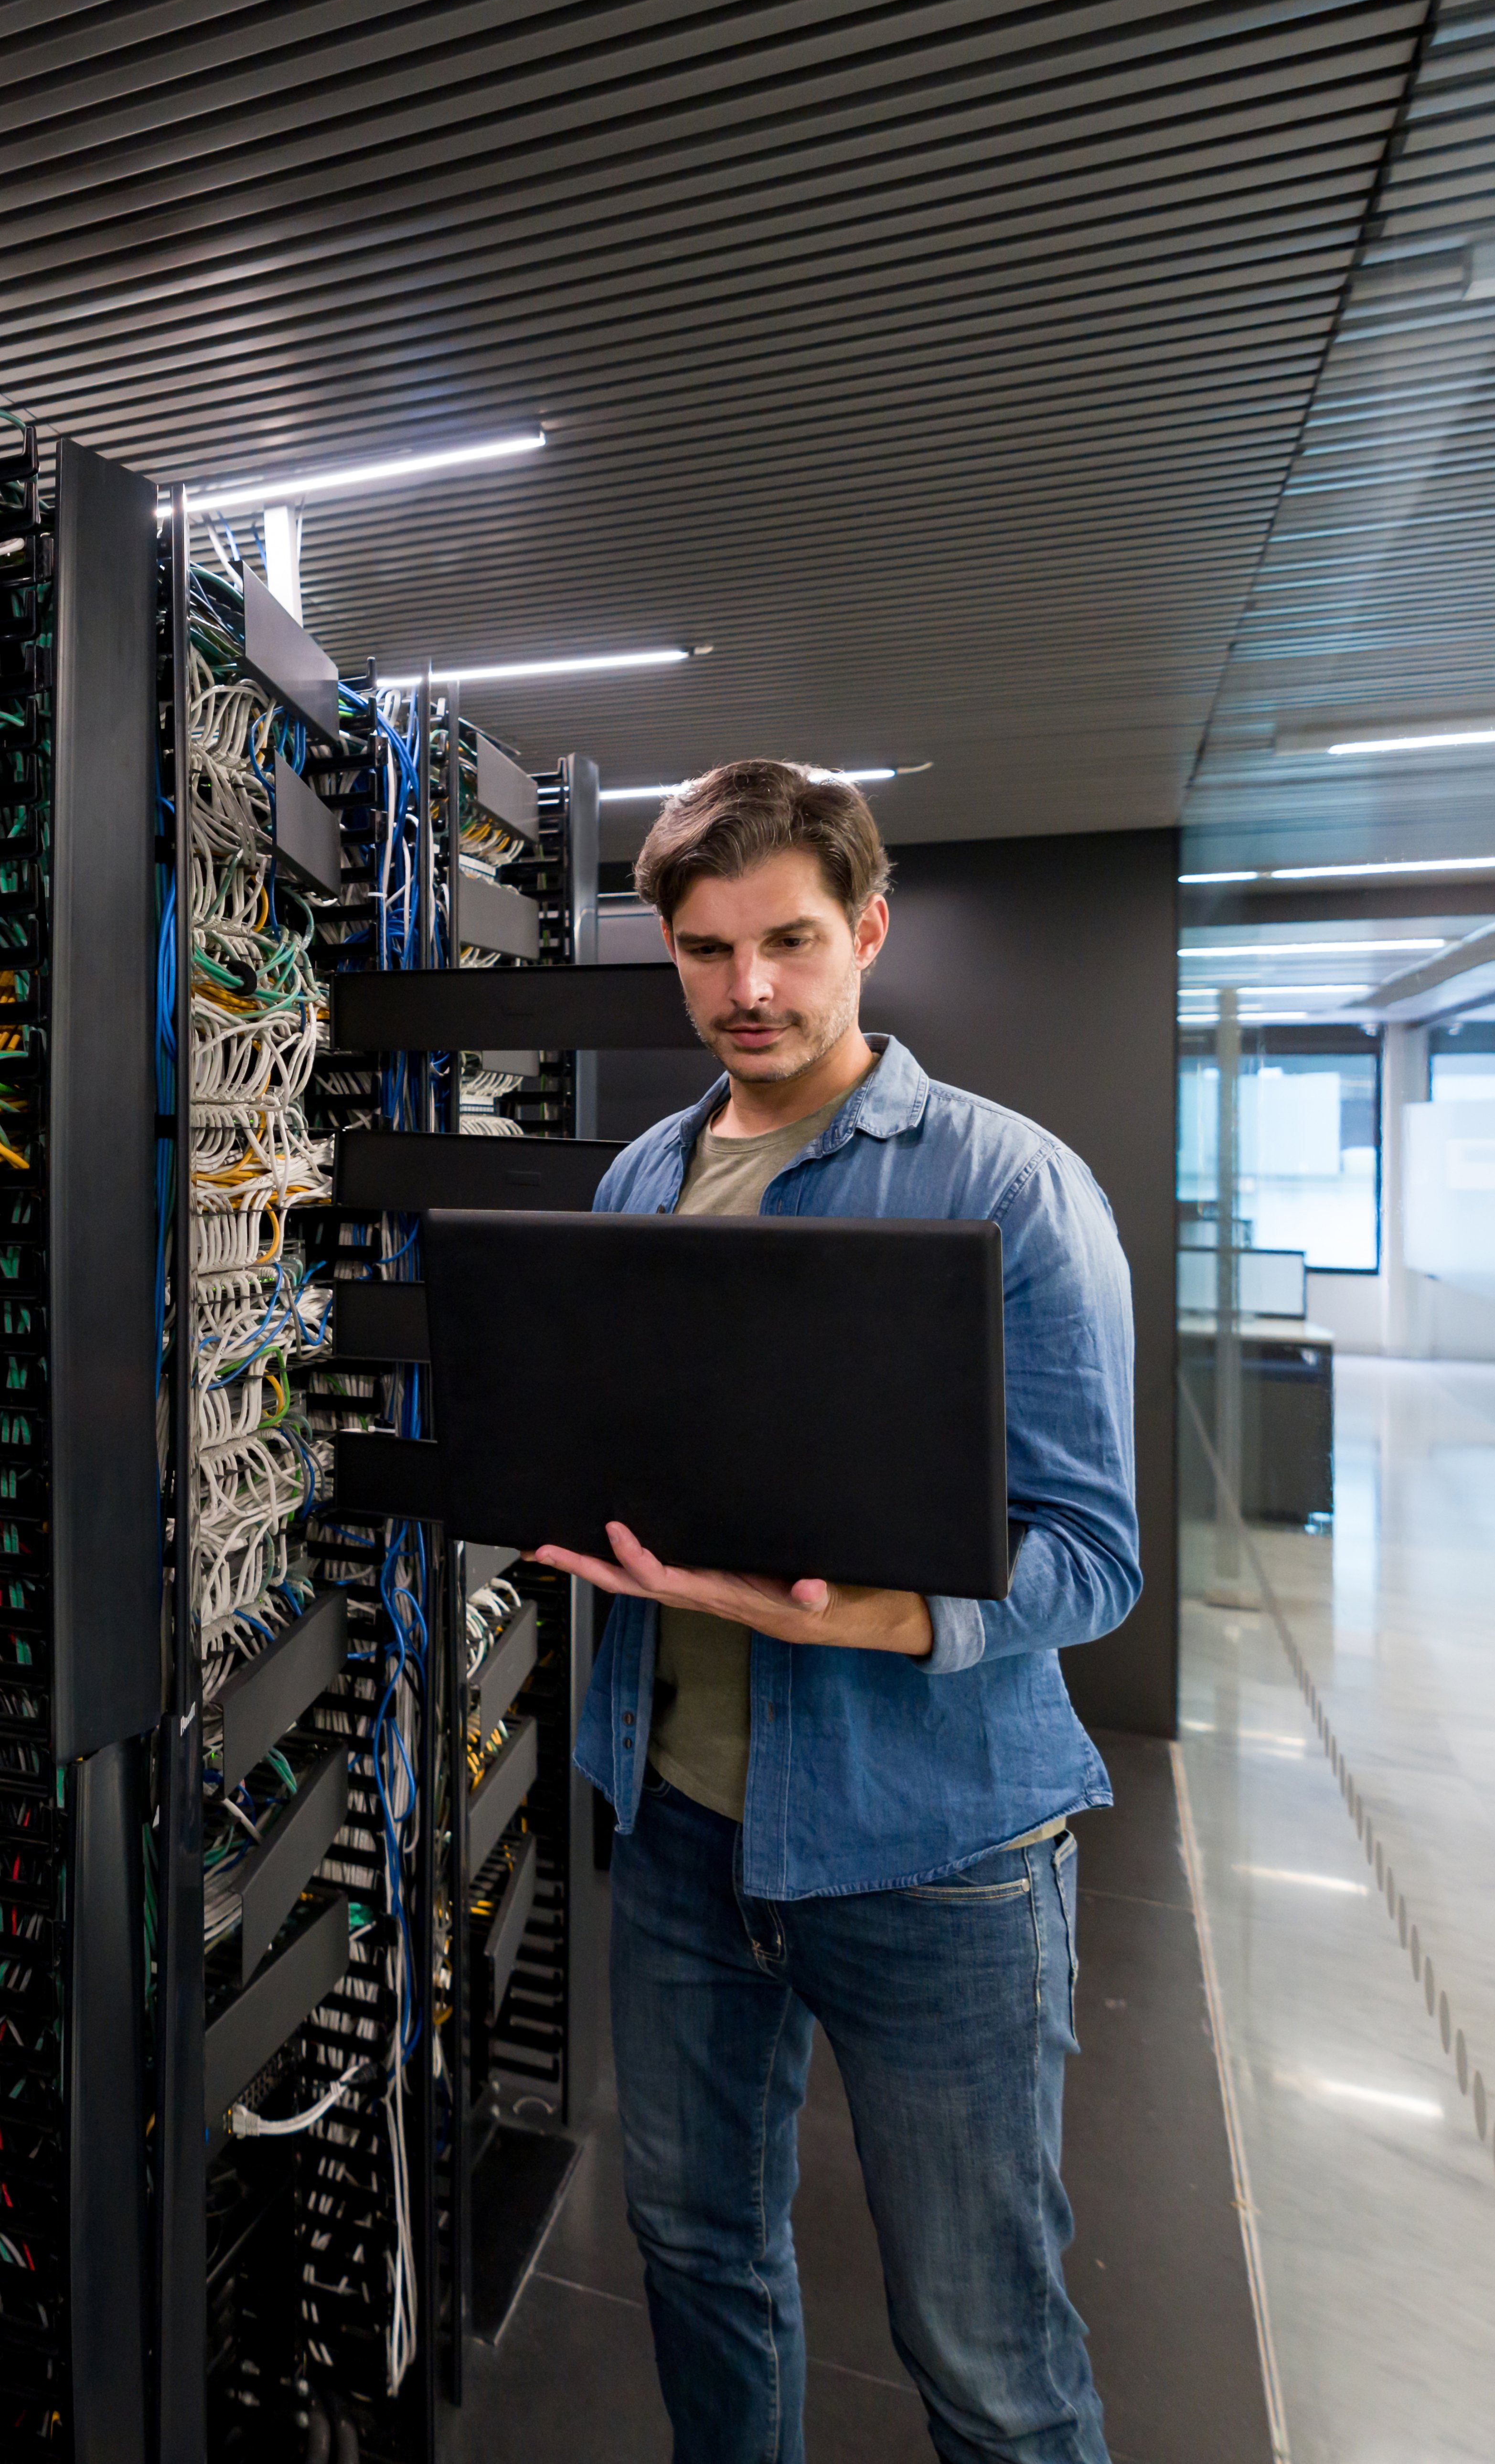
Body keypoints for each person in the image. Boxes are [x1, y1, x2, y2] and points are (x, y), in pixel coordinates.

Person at [531, 758, 1137, 2464]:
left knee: (982, 2347)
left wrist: (850, 1622)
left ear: (867, 930)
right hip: (673, 1835)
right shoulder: (639, 1187)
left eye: (789, 942)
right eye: (708, 950)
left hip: (938, 1853)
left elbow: (1095, 1557)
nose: (750, 990)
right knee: (696, 2257)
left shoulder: (1008, 1189)